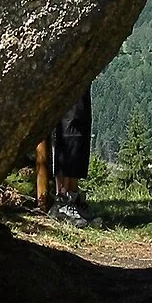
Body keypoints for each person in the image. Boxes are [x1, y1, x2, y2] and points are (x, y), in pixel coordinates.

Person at [50, 87, 92, 225]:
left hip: (81, 89)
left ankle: (73, 196)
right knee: (68, 135)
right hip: (66, 92)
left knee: (80, 137)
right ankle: (62, 200)